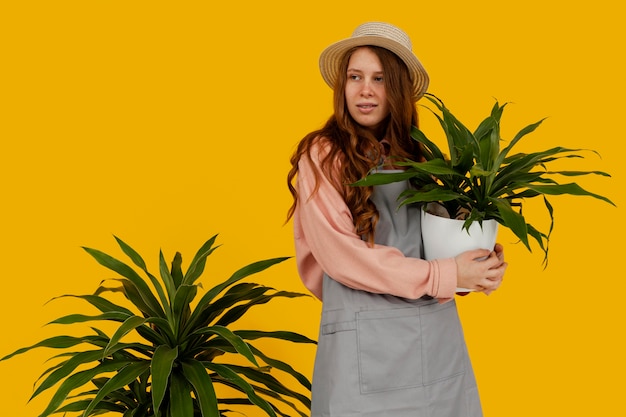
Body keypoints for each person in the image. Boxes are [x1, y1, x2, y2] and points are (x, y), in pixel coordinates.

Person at [286, 22, 507, 417]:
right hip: (363, 351)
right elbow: (341, 257)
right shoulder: (322, 155)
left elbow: (437, 255)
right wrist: (445, 274)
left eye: (379, 78)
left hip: (435, 343)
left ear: (399, 90)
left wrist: (476, 263)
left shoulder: (419, 158)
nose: (365, 89)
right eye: (355, 76)